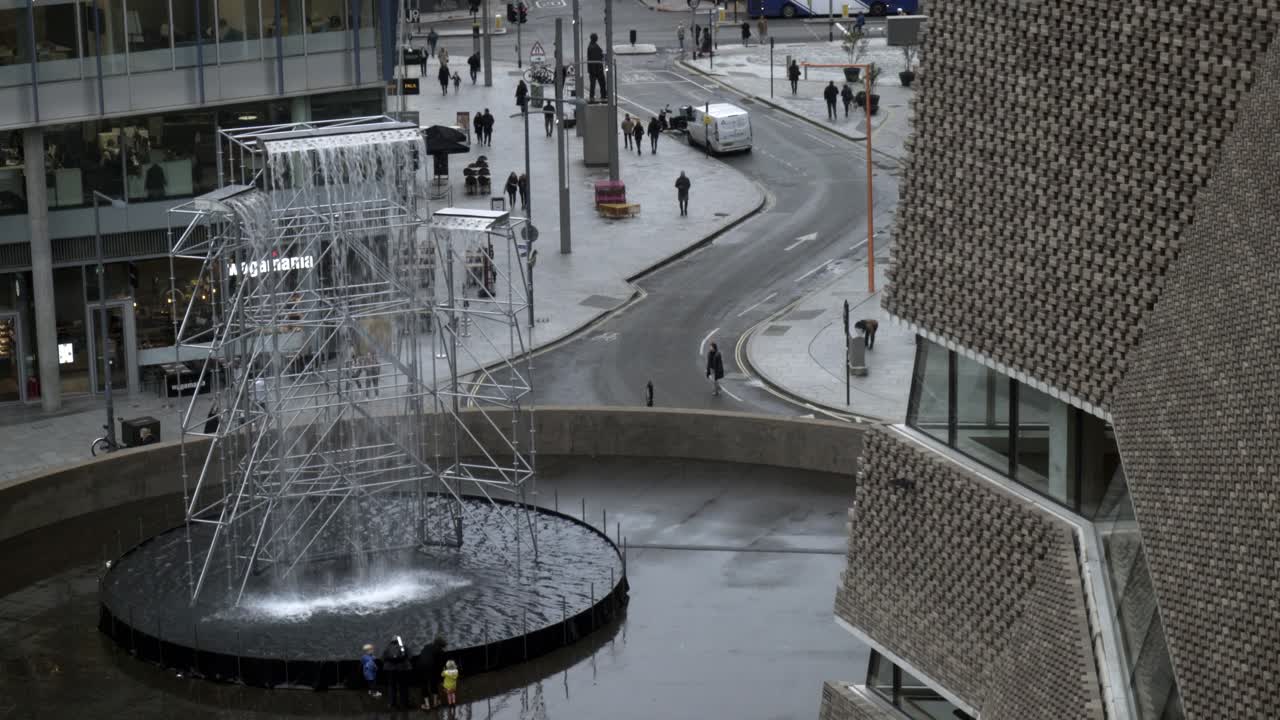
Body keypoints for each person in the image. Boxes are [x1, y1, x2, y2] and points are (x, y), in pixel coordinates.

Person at [416, 636, 448, 710]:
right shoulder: (440, 651)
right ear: (441, 645)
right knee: (434, 683)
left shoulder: (426, 646)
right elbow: (441, 664)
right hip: (431, 667)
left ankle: (427, 705)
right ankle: (435, 703)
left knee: (424, 685)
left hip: (420, 667)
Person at [382, 636, 412, 709]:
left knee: (391, 687)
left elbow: (382, 658)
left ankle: (392, 704)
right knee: (403, 687)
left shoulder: (387, 647)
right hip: (402, 669)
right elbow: (410, 656)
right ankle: (404, 704)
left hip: (390, 670)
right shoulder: (403, 647)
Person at [587, 33, 607, 101]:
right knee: (602, 84)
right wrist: (604, 56)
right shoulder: (594, 47)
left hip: (592, 69)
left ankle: (592, 98)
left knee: (592, 86)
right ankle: (603, 97)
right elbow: (598, 56)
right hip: (597, 69)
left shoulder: (591, 46)